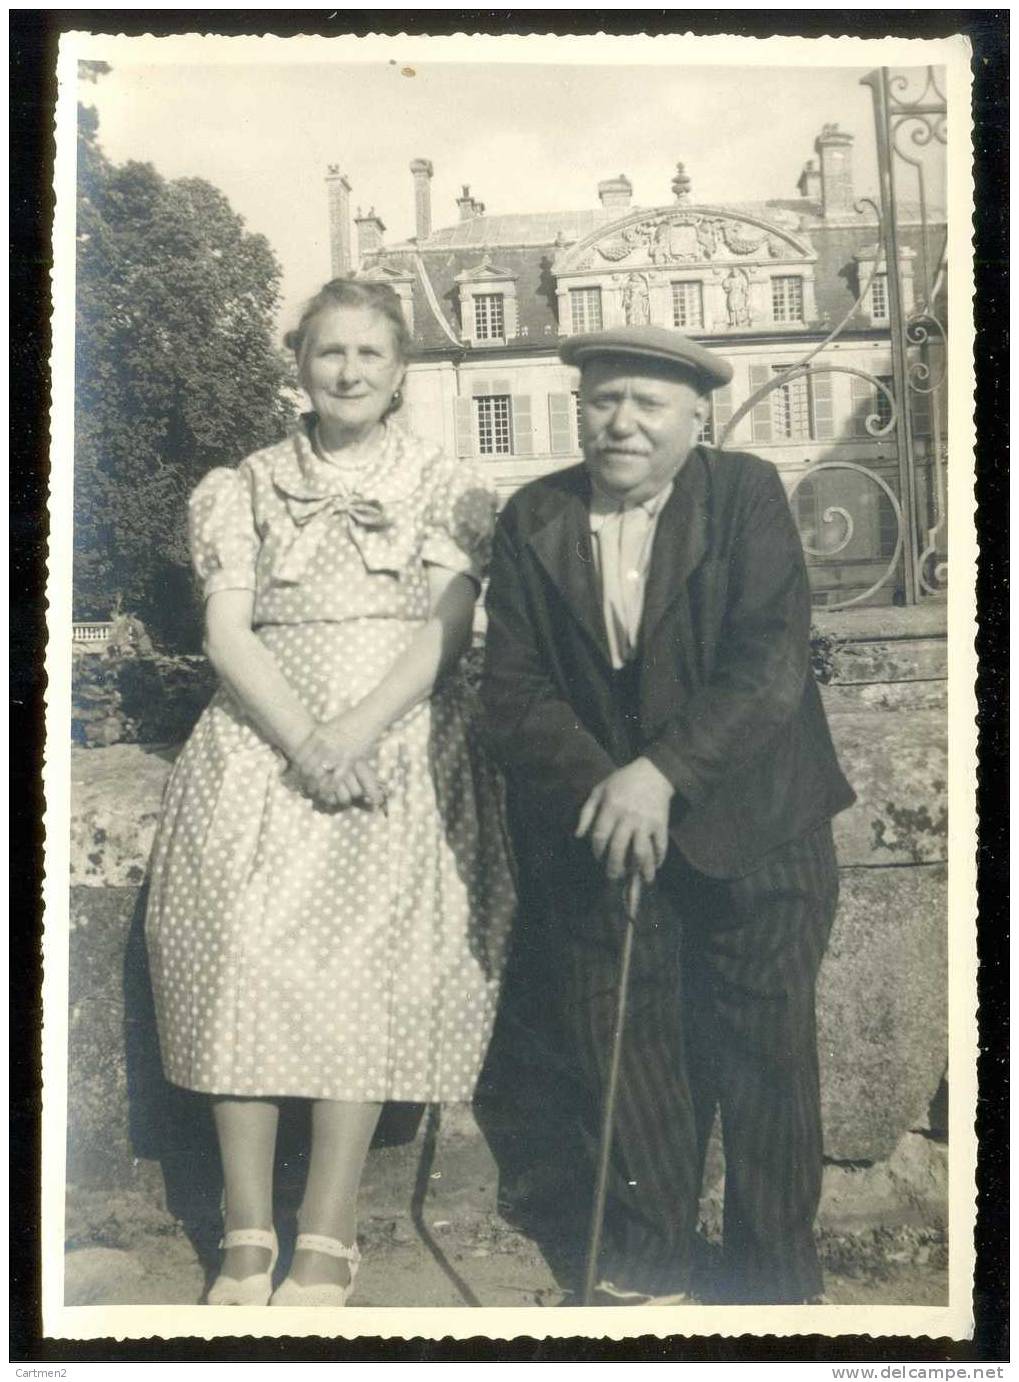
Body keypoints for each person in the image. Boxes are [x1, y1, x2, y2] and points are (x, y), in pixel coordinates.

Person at [145, 278, 515, 1307]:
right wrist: (304, 739)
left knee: (361, 967)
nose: (347, 371)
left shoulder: (446, 483)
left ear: (398, 371)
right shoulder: (244, 483)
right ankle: (247, 1228)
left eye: (369, 355)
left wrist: (353, 732)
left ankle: (329, 1228)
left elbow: (442, 627)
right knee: (237, 957)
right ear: (297, 364)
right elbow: (226, 630)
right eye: (328, 353)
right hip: (263, 741)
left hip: (394, 740)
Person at [481, 325, 855, 1305]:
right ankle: (649, 1273)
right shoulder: (532, 515)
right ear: (579, 410)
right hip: (608, 832)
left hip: (754, 828)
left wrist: (661, 772)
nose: (623, 421)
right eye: (603, 399)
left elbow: (767, 660)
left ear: (696, 415)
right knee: (629, 1051)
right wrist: (610, 784)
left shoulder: (744, 495)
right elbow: (512, 688)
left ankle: (776, 1292)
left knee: (766, 1067)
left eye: (648, 403)